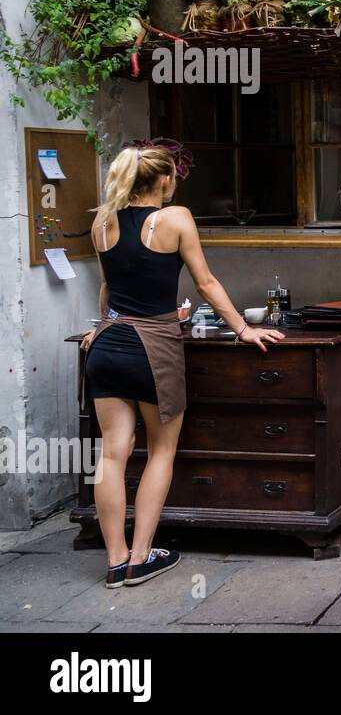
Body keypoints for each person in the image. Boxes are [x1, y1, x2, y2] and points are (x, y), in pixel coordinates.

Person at [81, 140, 284, 588]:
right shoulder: (175, 218)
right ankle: (139, 557)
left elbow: (108, 290)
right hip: (153, 349)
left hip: (107, 345)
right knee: (161, 450)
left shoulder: (102, 222)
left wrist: (100, 325)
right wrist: (244, 329)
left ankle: (114, 562)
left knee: (112, 454)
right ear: (166, 179)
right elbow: (206, 282)